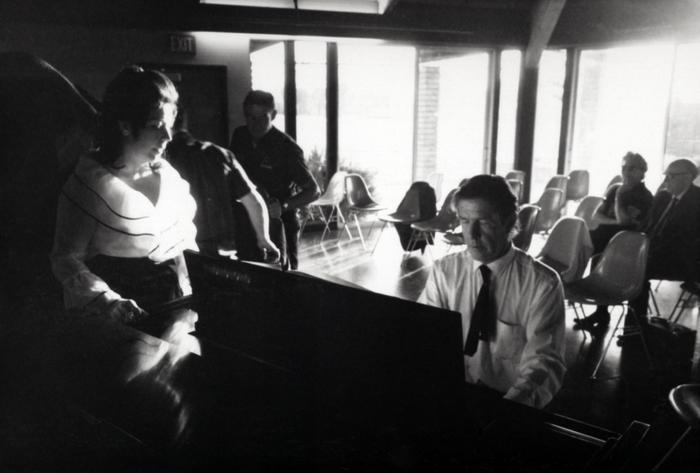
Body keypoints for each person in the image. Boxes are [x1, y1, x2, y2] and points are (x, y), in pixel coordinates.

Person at [51, 66, 197, 323]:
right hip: (123, 317)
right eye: (156, 125)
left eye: (170, 126)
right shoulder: (89, 184)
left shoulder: (170, 178)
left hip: (177, 306)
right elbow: (66, 259)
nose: (167, 137)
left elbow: (185, 245)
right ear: (125, 126)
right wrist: (108, 301)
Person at [418, 175, 566, 409]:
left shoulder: (542, 283)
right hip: (452, 394)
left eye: (484, 222)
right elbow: (425, 338)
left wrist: (507, 412)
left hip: (511, 403)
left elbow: (543, 365)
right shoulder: (444, 271)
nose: (472, 234)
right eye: (465, 221)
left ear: (509, 223)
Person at [166, 108, 280, 261]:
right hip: (223, 254)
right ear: (186, 122)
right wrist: (263, 238)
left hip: (181, 253)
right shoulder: (221, 154)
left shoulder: (160, 159)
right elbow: (253, 201)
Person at [229, 90, 320, 270]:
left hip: (279, 225)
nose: (255, 124)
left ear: (274, 115)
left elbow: (314, 191)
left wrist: (283, 205)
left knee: (283, 279)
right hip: (247, 222)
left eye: (262, 118)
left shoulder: (287, 148)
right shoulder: (240, 136)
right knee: (247, 275)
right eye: (250, 117)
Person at [576, 152, 653, 331]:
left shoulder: (644, 197)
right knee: (578, 242)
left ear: (642, 172)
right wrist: (615, 220)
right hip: (603, 240)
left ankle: (587, 297)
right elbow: (597, 215)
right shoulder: (614, 189)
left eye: (631, 168)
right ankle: (599, 311)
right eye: (624, 168)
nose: (626, 172)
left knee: (589, 250)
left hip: (624, 248)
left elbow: (625, 222)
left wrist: (619, 197)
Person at [628, 158, 700, 321]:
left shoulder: (697, 201)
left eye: (671, 176)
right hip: (652, 251)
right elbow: (646, 226)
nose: (666, 181)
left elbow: (685, 240)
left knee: (639, 269)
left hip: (680, 259)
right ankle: (601, 313)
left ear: (687, 177)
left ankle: (635, 323)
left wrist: (648, 253)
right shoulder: (663, 197)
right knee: (603, 259)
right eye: (665, 176)